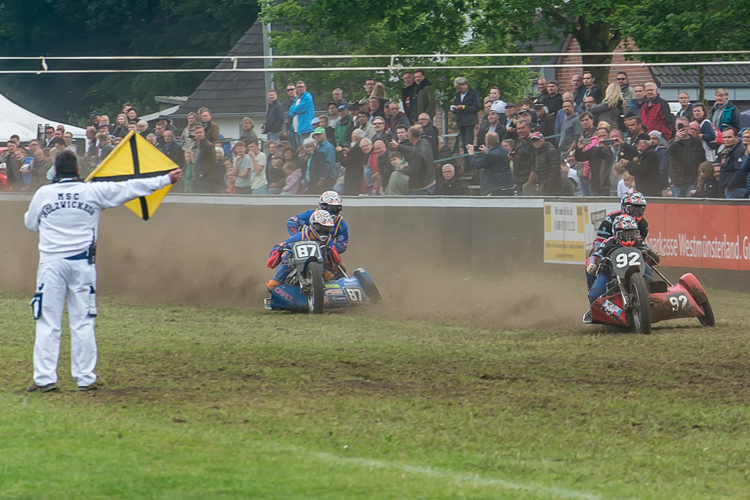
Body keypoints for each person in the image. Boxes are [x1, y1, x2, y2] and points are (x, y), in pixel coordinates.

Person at [24, 151, 181, 392]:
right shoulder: (92, 191)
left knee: (48, 323)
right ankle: (85, 378)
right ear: (78, 169)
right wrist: (165, 179)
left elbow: (30, 224)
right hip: (82, 265)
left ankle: (45, 378)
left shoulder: (43, 194)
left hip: (51, 265)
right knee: (83, 322)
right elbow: (129, 187)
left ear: (55, 171)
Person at [586, 215, 659, 307]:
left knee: (647, 267)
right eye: (624, 235)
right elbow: (595, 255)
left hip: (639, 272)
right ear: (616, 234)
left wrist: (653, 257)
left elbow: (651, 259)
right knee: (594, 296)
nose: (628, 238)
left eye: (632, 234)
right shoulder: (608, 243)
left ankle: (650, 290)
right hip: (610, 273)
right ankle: (610, 310)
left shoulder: (639, 243)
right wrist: (592, 264)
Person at [266, 210, 340, 291]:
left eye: (327, 229)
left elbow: (332, 256)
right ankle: (277, 280)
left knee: (334, 277)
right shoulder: (301, 236)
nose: (324, 232)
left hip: (320, 266)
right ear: (313, 226)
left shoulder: (328, 239)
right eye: (321, 228)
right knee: (272, 286)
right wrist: (278, 251)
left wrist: (336, 262)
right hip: (295, 265)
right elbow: (282, 245)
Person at [285, 191, 348, 262]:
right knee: (286, 261)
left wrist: (332, 248)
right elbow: (292, 221)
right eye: (331, 208)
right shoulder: (311, 214)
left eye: (336, 208)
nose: (333, 211)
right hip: (301, 249)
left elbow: (343, 244)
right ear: (323, 206)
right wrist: (296, 236)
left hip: (324, 252)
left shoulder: (341, 223)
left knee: (337, 269)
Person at [465, 132, 515, 196]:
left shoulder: (490, 155)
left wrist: (471, 153)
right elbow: (494, 161)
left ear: (487, 142)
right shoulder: (504, 150)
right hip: (507, 185)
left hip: (496, 188)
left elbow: (476, 164)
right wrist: (486, 152)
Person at [667, 117, 705, 197]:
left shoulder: (696, 142)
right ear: (676, 128)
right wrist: (677, 140)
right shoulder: (672, 142)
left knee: (691, 206)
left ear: (688, 127)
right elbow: (668, 152)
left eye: (685, 126)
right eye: (680, 126)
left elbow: (702, 159)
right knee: (677, 207)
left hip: (693, 180)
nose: (683, 128)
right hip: (678, 181)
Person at [393, 125, 436, 195]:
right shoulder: (425, 142)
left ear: (410, 136)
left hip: (422, 188)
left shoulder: (415, 153)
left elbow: (413, 171)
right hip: (431, 182)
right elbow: (413, 149)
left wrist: (404, 168)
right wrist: (398, 147)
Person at [623, 133, 662, 197]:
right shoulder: (644, 155)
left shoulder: (650, 154)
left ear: (644, 142)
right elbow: (635, 171)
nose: (636, 145)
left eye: (638, 142)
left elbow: (641, 170)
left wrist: (628, 164)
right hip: (643, 190)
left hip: (649, 191)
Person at [451, 77, 481, 153]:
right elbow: (456, 104)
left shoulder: (473, 93)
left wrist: (464, 107)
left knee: (468, 143)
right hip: (461, 121)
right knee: (463, 143)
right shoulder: (458, 95)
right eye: (457, 88)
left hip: (470, 121)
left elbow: (476, 107)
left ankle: (470, 159)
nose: (459, 90)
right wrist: (454, 109)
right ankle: (466, 161)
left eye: (460, 88)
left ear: (465, 84)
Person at [719, 128, 747, 198]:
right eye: (724, 137)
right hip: (732, 189)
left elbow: (740, 171)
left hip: (736, 189)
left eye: (729, 137)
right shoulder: (732, 150)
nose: (727, 139)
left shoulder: (738, 152)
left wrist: (729, 186)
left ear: (736, 138)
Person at [288, 81, 315, 148]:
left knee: (305, 149)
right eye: (298, 87)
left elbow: (299, 109)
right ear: (296, 89)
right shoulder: (297, 99)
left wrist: (294, 110)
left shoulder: (307, 97)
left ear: (305, 88)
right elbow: (290, 111)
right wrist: (294, 110)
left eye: (301, 87)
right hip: (296, 129)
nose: (300, 88)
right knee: (299, 150)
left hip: (305, 128)